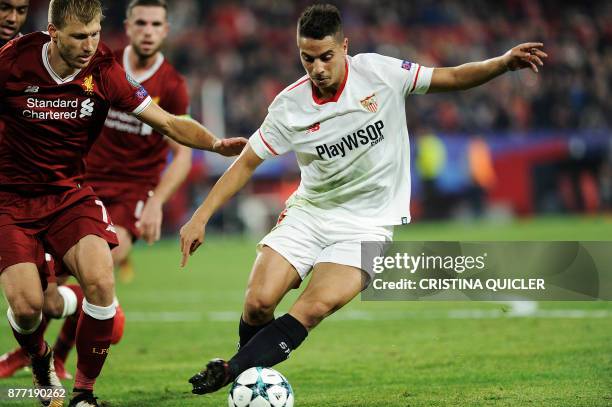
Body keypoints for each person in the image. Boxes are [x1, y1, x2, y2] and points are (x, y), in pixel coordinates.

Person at [179, 3, 547, 395]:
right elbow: (245, 163)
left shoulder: (380, 73)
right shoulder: (290, 106)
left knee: (313, 307)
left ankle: (234, 370)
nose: (317, 68)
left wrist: (503, 63)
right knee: (257, 303)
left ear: (344, 47)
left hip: (366, 225)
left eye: (326, 57)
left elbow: (452, 76)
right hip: (310, 213)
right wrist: (200, 216)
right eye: (307, 58)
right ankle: (246, 366)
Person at [0, 1, 246, 406]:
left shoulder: (103, 70)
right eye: (80, 36)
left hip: (69, 194)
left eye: (95, 34)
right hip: (12, 200)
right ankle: (40, 359)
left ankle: (83, 394)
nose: (89, 44)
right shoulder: (13, 61)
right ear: (53, 31)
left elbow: (166, 122)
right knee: (28, 308)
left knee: (101, 280)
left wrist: (215, 144)